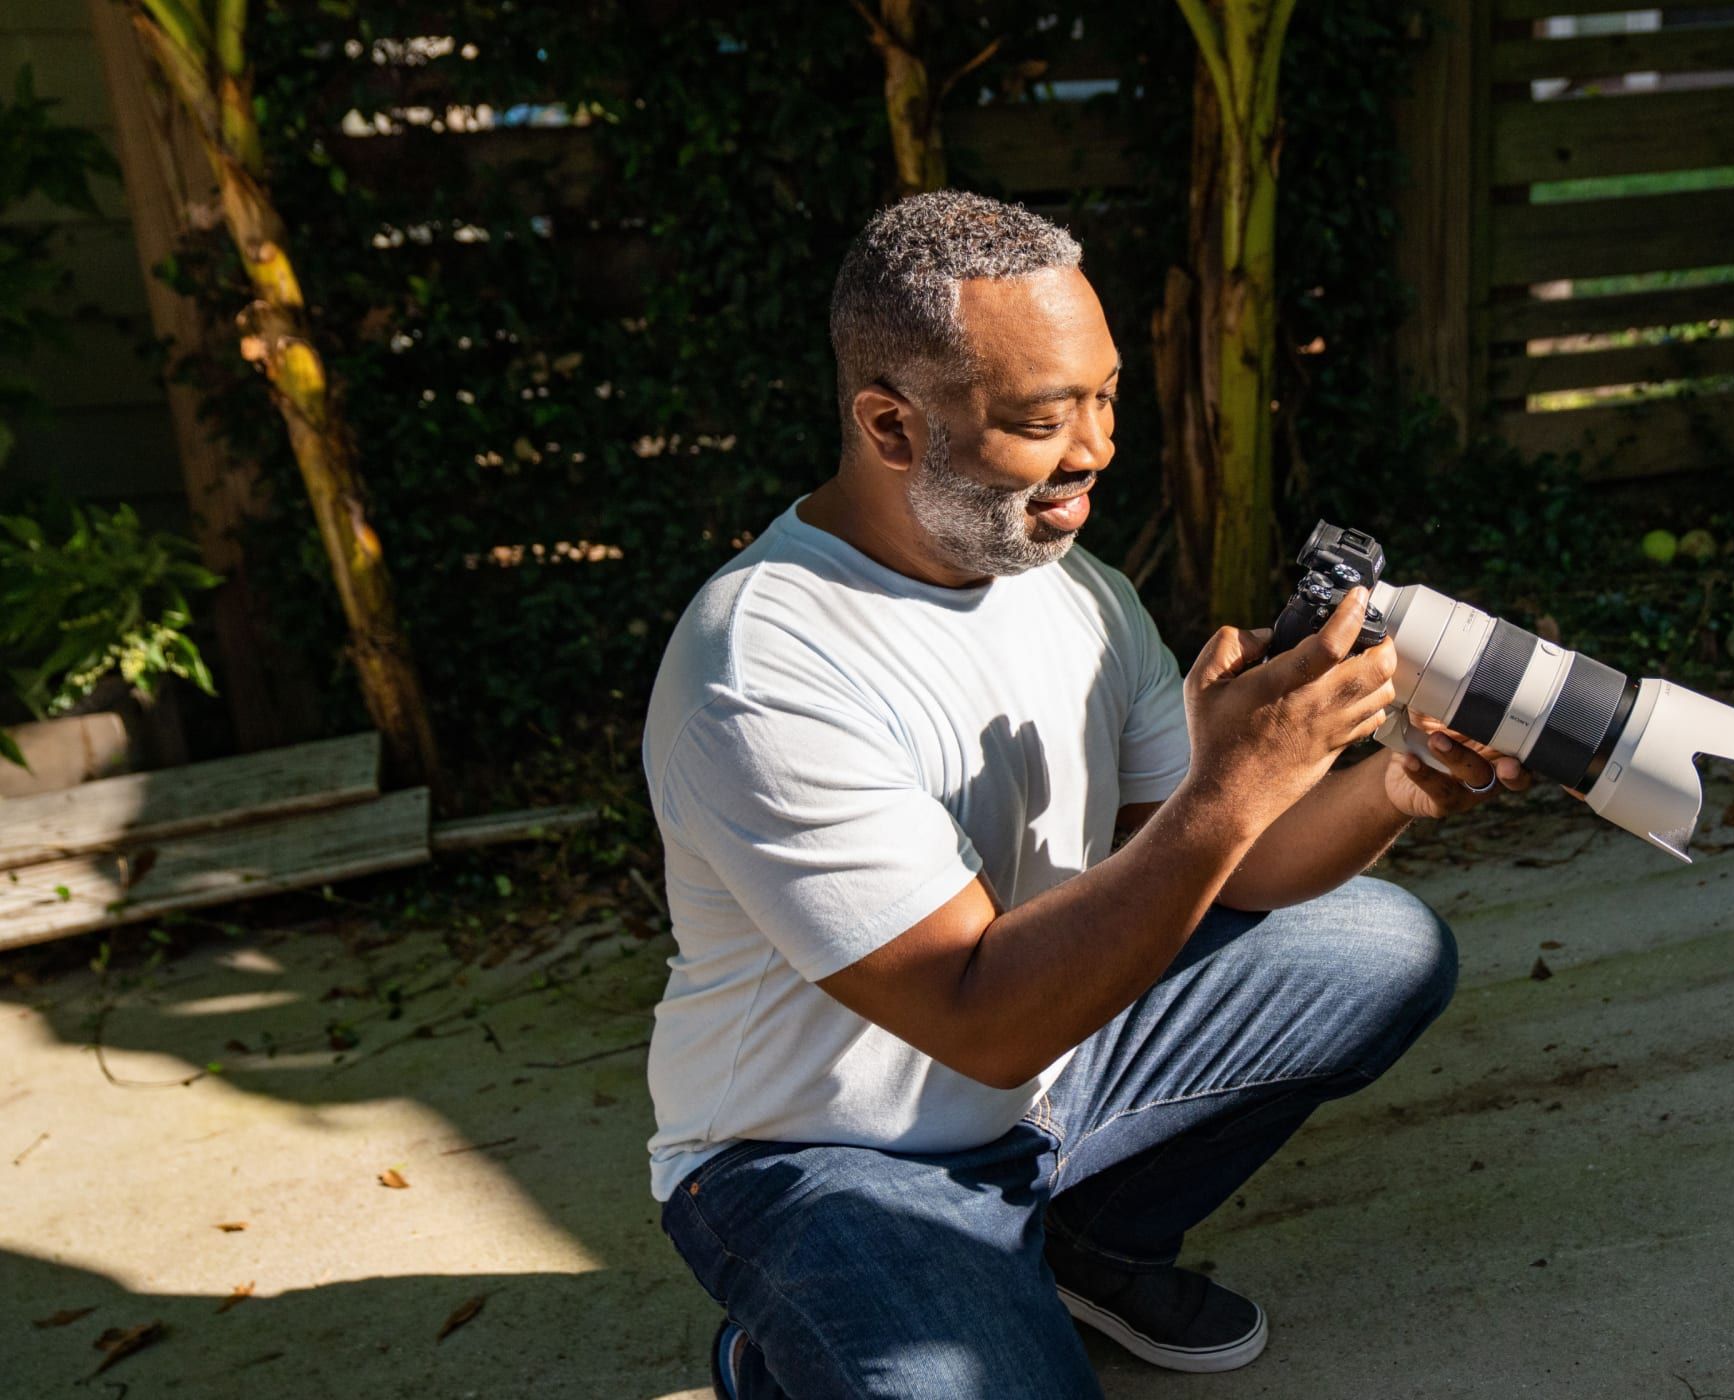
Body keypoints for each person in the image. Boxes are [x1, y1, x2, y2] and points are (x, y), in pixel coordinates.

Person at [642, 190, 1529, 1399]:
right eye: (1041, 418)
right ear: (891, 425)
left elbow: (1232, 867)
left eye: (1105, 395)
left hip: (1049, 1079)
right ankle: (786, 1348)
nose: (1098, 447)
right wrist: (1235, 781)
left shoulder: (1075, 589)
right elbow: (979, 1013)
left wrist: (1391, 785)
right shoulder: (762, 668)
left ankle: (1082, 1243)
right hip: (825, 1152)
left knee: (1375, 946)